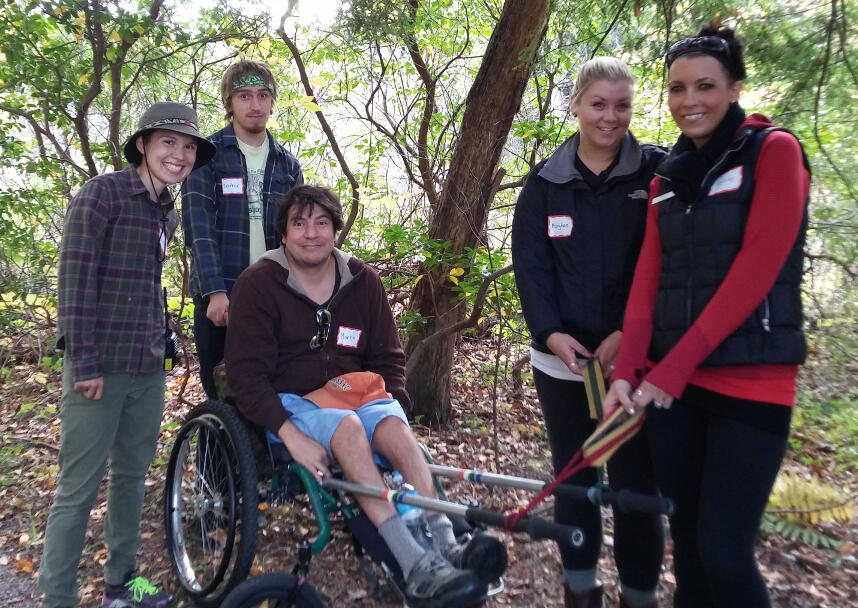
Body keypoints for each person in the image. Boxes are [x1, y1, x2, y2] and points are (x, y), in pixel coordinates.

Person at [603, 22, 811, 608]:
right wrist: (628, 372)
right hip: (676, 392)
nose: (689, 101)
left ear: (735, 87)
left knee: (725, 550)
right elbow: (648, 282)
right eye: (677, 88)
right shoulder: (668, 174)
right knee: (689, 547)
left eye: (705, 87)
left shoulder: (774, 151)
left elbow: (758, 270)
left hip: (753, 386)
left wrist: (671, 369)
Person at [224, 185, 506, 608]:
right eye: (298, 223)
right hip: (293, 404)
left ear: (336, 229)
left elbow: (388, 357)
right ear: (282, 233)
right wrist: (291, 435)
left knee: (390, 422)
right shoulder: (259, 284)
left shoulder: (361, 280)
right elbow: (245, 377)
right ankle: (413, 562)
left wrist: (393, 404)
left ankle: (447, 542)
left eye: (322, 222)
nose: (310, 233)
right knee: (349, 427)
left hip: (355, 391)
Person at [41, 102, 216, 608]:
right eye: (168, 143)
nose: (179, 155)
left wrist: (166, 341)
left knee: (132, 479)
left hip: (145, 367)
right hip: (99, 369)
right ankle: (58, 597)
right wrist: (86, 363)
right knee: (78, 490)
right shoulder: (103, 194)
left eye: (187, 147)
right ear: (143, 144)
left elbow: (144, 284)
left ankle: (121, 583)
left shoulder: (168, 209)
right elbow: (74, 284)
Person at [511, 57, 665, 608]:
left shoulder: (656, 173)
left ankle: (639, 594)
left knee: (634, 484)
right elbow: (531, 266)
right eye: (598, 103)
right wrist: (550, 333)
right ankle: (581, 590)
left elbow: (669, 263)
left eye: (621, 105)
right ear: (575, 104)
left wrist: (630, 333)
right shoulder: (545, 183)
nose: (610, 117)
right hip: (563, 363)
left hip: (633, 363)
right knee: (574, 475)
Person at [182, 60, 303, 399]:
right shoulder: (206, 155)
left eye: (263, 95)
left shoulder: (288, 164)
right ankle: (215, 453)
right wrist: (215, 292)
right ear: (229, 103)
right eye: (245, 95)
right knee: (222, 396)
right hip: (221, 297)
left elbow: (296, 238)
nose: (255, 104)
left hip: (271, 298)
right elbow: (198, 227)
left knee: (269, 395)